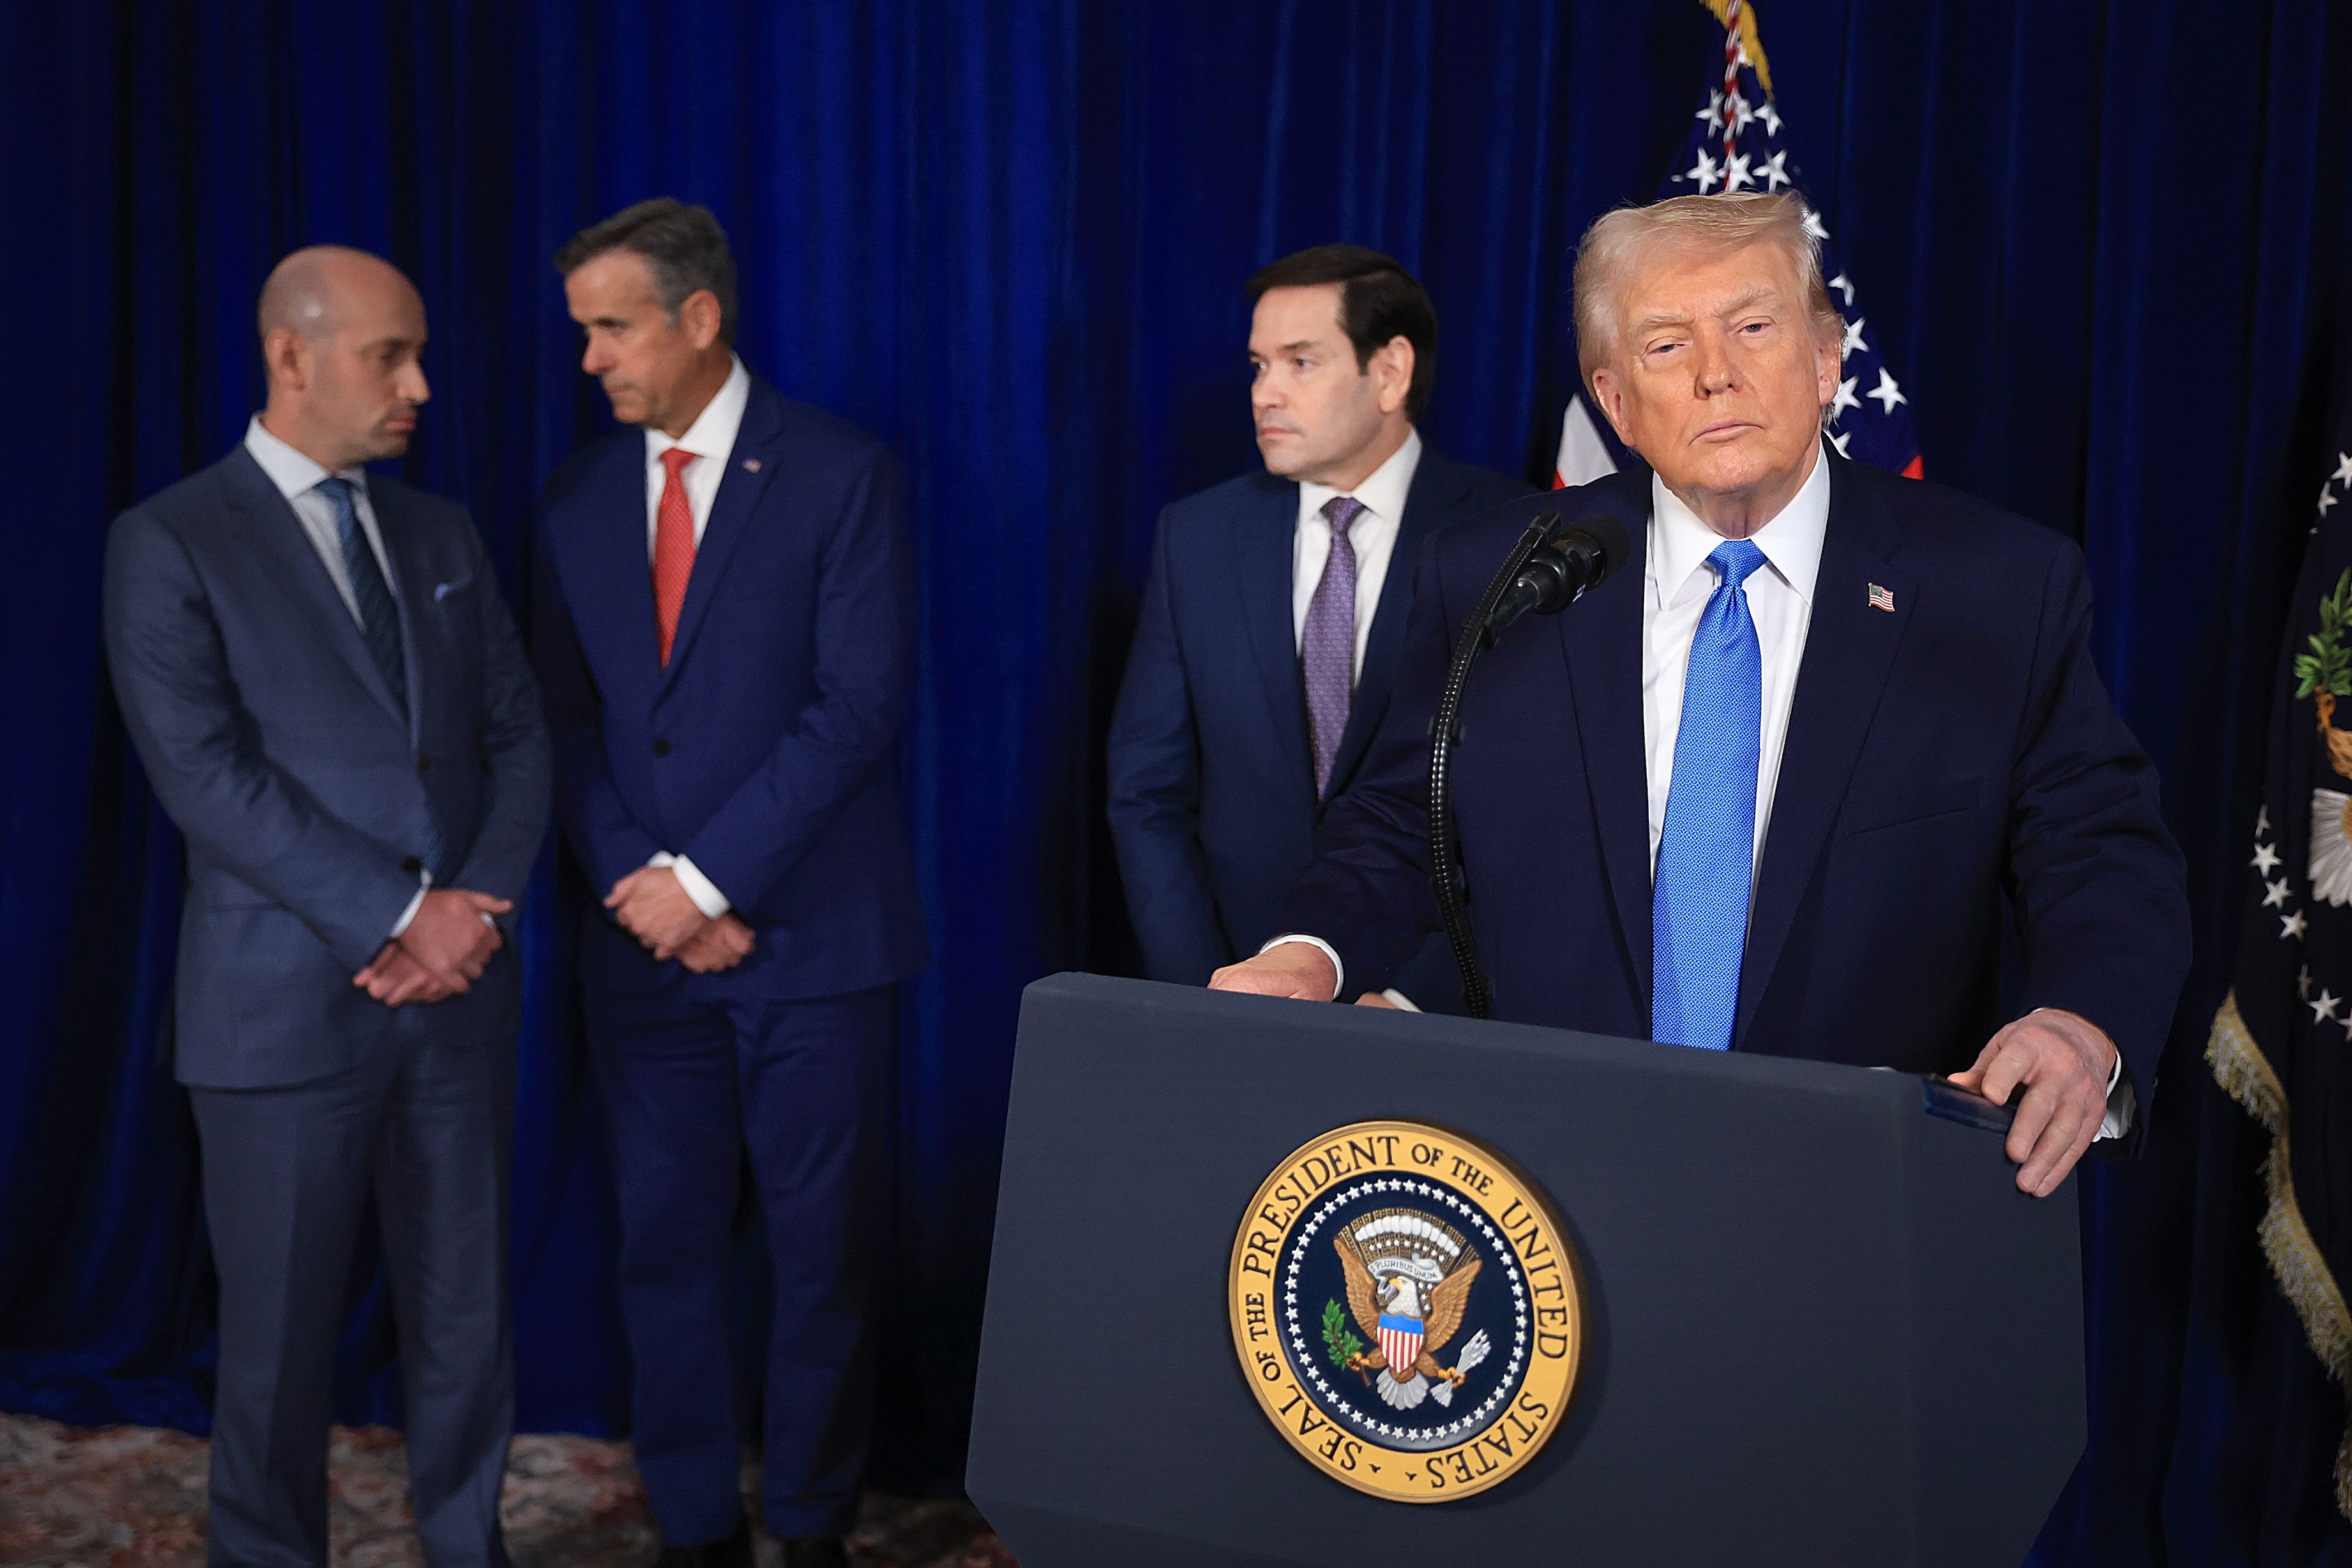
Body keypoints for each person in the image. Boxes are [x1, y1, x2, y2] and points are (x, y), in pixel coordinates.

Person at [1210, 194, 2191, 1197]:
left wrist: (2081, 1022)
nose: (1716, 374)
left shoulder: (1996, 589)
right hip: (1546, 1192)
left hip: (1864, 1196)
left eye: (1754, 327)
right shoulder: (1498, 577)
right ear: (1618, 402)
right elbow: (1396, 819)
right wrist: (1311, 953)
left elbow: (2100, 853)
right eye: (1667, 346)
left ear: (1824, 359)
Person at [102, 247, 550, 1567]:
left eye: (418, 356)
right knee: (278, 1350)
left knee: (470, 1326)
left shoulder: (442, 531)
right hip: (282, 1012)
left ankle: (469, 1547)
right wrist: (404, 916)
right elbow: (204, 777)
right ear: (291, 357)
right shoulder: (169, 539)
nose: (419, 386)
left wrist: (475, 911)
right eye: (387, 357)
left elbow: (520, 739)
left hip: (462, 999)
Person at [530, 199, 928, 1568]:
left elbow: (855, 708)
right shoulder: (578, 498)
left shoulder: (838, 471)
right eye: (580, 330)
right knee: (663, 1256)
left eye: (611, 327)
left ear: (700, 319)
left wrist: (705, 878)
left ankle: (809, 1526)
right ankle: (695, 1530)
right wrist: (642, 885)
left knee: (822, 1266)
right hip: (639, 955)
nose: (589, 359)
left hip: (814, 946)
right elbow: (566, 724)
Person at [1107, 245, 1530, 1008]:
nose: (1266, 393)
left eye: (1300, 363)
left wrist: (1413, 994)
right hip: (1230, 994)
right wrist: (1202, 993)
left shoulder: (1510, 536)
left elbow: (1529, 809)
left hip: (1431, 1006)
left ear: (1391, 372)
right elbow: (1147, 794)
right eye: (1258, 366)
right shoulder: (1198, 536)